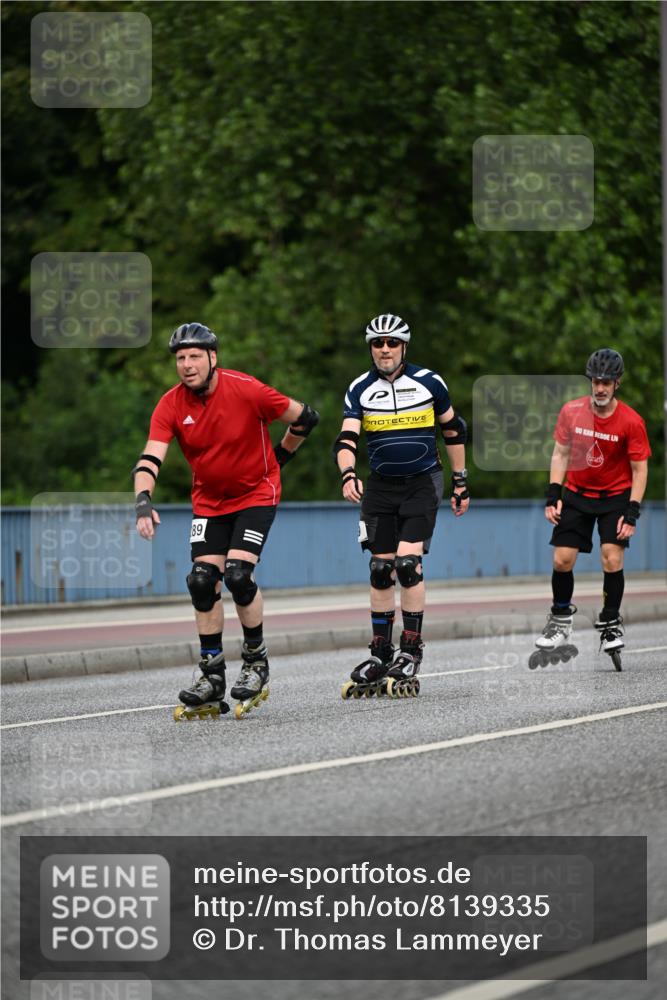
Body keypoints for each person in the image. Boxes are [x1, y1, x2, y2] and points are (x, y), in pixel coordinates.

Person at [134, 322, 319, 717]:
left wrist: (280, 458)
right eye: (180, 358)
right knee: (201, 581)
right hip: (210, 502)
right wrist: (142, 500)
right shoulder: (170, 404)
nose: (186, 365)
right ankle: (212, 673)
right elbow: (150, 457)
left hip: (256, 493)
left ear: (213, 357)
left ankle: (256, 661)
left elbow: (306, 418)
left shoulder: (247, 389)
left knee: (237, 575)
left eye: (194, 356)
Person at [334, 313, 470, 693]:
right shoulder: (359, 388)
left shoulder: (429, 382)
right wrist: (348, 473)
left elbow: (453, 430)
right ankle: (380, 652)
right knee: (380, 568)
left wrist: (460, 481)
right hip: (380, 487)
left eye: (392, 342)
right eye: (378, 344)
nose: (385, 350)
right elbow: (346, 440)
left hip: (422, 483)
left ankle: (410, 650)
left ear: (404, 346)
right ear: (371, 349)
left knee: (407, 564)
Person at [535, 348, 651, 662]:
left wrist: (632, 511)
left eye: (607, 382)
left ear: (617, 383)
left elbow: (640, 470)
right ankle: (560, 620)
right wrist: (553, 493)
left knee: (611, 558)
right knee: (562, 559)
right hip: (576, 493)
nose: (600, 388)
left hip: (615, 497)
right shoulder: (571, 412)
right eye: (596, 381)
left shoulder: (631, 421)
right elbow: (560, 454)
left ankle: (611, 624)